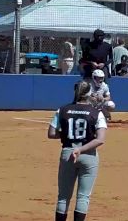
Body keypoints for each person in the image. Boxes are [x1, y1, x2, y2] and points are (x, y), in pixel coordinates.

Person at [47, 80, 107, 221]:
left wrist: (69, 134)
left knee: (63, 196)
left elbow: (51, 133)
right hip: (88, 155)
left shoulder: (62, 110)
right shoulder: (96, 113)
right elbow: (100, 139)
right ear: (89, 94)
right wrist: (81, 149)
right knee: (83, 196)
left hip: (68, 152)